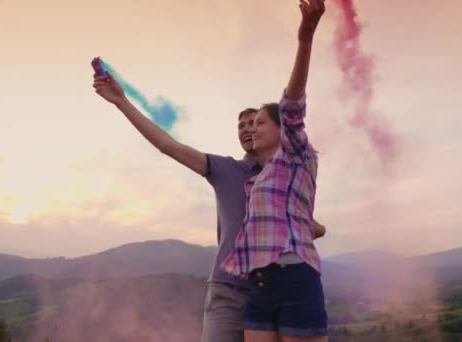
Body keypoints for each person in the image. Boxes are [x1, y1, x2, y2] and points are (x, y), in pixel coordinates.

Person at [92, 70, 326, 341]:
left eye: (256, 122)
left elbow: (310, 226)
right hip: (229, 292)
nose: (249, 128)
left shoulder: (285, 177)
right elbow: (168, 145)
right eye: (242, 125)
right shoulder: (225, 170)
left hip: (274, 287)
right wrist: (122, 102)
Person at [220, 1, 328, 341]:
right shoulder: (256, 178)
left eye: (260, 122)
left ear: (283, 129)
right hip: (260, 284)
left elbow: (292, 105)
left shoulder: (295, 155)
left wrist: (305, 41)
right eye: (249, 124)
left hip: (295, 278)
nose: (252, 128)